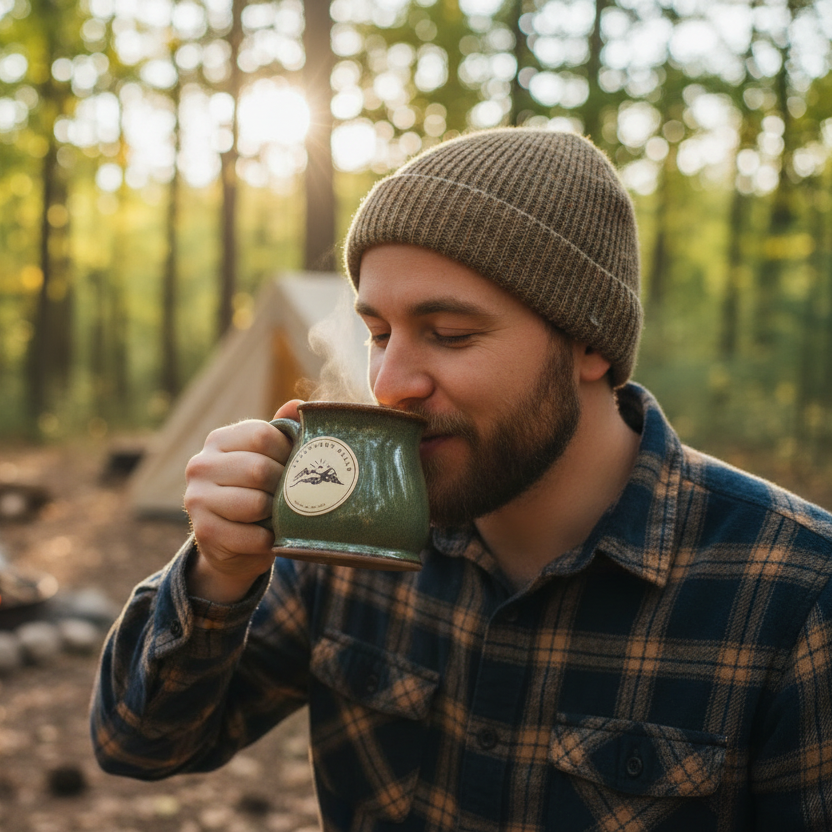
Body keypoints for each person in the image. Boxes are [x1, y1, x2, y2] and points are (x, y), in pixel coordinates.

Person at [91, 128, 832, 831]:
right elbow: (138, 743)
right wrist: (220, 573)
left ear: (591, 343)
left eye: (450, 334)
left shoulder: (794, 592)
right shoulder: (353, 531)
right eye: (379, 334)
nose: (391, 383)